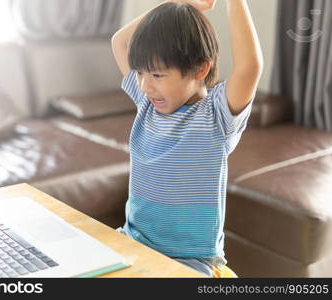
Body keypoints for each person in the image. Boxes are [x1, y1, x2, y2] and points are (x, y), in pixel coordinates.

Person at [111, 0, 263, 277]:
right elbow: (120, 42)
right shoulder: (148, 104)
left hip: (188, 262)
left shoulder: (216, 116)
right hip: (131, 242)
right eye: (141, 73)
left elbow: (249, 67)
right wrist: (178, 4)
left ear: (200, 69)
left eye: (157, 74)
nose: (144, 85)